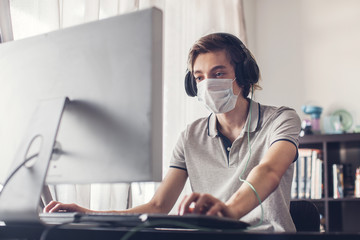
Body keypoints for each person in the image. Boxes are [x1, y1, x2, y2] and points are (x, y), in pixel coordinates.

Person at [45, 32, 301, 232]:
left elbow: (269, 171)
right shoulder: (190, 136)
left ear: (244, 76)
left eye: (218, 73)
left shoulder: (281, 119)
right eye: (199, 77)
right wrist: (86, 213)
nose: (207, 83)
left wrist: (230, 211)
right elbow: (158, 206)